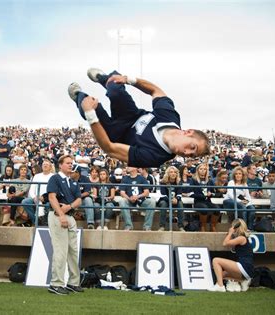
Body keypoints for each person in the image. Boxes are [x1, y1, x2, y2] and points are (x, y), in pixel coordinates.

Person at [68, 68, 210, 167]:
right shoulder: (170, 117)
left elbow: (109, 148)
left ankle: (78, 96)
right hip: (131, 115)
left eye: (191, 156)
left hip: (115, 135)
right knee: (116, 90)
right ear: (188, 132)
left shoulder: (156, 157)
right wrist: (129, 79)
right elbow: (156, 91)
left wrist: (90, 115)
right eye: (192, 147)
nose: (186, 153)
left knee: (89, 106)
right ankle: (104, 78)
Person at [46, 155, 83, 295]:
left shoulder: (73, 181)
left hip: (71, 216)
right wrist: (61, 214)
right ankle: (56, 284)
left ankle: (73, 283)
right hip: (57, 216)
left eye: (71, 163)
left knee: (73, 251)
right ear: (60, 165)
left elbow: (79, 200)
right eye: (67, 163)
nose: (70, 165)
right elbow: (51, 197)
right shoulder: (55, 178)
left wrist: (69, 207)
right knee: (60, 251)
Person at [208, 218, 253, 292]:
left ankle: (220, 286)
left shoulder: (241, 238)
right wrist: (230, 234)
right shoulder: (242, 238)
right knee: (222, 274)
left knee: (216, 260)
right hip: (247, 269)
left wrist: (230, 233)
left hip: (244, 266)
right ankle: (242, 281)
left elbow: (225, 243)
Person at [118, 167, 156, 231]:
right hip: (129, 200)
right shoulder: (125, 179)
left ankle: (147, 226)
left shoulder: (142, 178)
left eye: (129, 166)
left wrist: (137, 196)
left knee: (151, 201)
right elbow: (122, 193)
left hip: (141, 200)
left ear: (135, 168)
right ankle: (128, 225)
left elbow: (146, 192)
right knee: (122, 201)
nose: (127, 167)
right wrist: (129, 198)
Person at [21, 159, 54, 226]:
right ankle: (36, 221)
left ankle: (46, 223)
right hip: (36, 197)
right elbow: (31, 189)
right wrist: (34, 197)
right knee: (25, 202)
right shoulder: (37, 176)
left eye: (47, 165)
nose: (45, 166)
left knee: (48, 205)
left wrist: (44, 198)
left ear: (50, 167)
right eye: (44, 164)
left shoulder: (53, 177)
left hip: (48, 199)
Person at [191, 163, 220, 232]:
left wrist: (211, 194)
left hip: (208, 201)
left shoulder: (209, 181)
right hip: (198, 201)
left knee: (217, 209)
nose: (203, 171)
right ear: (197, 170)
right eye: (201, 169)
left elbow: (217, 192)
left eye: (204, 169)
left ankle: (212, 226)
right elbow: (191, 193)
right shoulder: (193, 180)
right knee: (204, 209)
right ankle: (203, 226)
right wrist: (203, 196)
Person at [157, 166, 185, 231]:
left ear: (177, 174)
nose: (173, 174)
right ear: (168, 173)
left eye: (175, 172)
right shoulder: (163, 182)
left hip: (175, 200)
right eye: (171, 172)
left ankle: (181, 226)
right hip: (165, 200)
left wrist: (177, 199)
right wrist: (170, 200)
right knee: (163, 204)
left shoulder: (179, 182)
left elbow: (179, 194)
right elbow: (163, 194)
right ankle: (162, 226)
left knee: (180, 204)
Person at [70, 164, 95, 229]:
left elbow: (87, 192)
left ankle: (90, 223)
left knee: (88, 199)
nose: (70, 173)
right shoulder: (68, 179)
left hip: (82, 200)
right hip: (71, 199)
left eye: (72, 172)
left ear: (77, 172)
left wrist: (78, 196)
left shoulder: (85, 179)